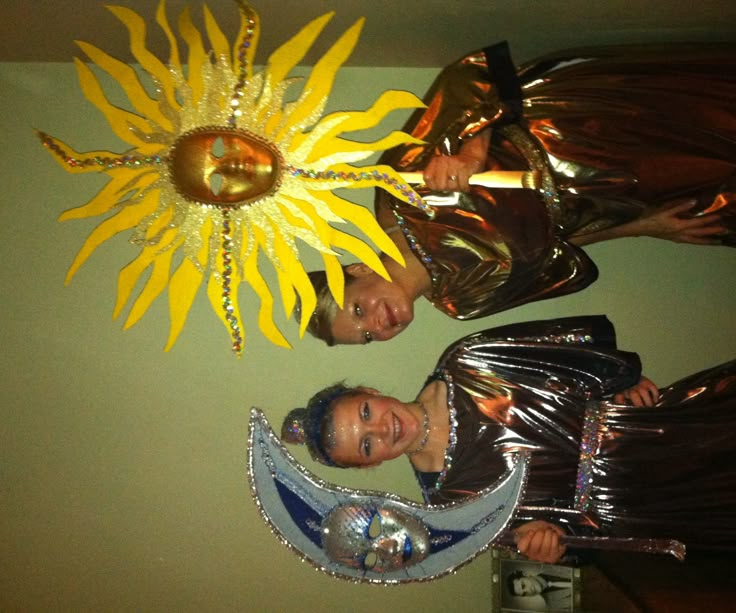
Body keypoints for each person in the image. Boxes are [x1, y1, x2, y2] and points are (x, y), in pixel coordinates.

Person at [305, 42, 735, 345]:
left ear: (359, 270)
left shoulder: (400, 194)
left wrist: (472, 152)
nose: (379, 327)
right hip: (617, 198)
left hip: (583, 129)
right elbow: (557, 253)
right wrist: (646, 227)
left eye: (360, 311)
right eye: (366, 337)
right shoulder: (464, 303)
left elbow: (469, 77)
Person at [282, 315, 736, 564]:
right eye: (366, 444)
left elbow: (571, 346)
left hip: (656, 425)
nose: (382, 429)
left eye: (365, 413)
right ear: (369, 465)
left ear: (371, 391)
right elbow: (575, 544)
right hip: (644, 506)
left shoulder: (469, 360)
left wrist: (618, 378)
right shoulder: (452, 505)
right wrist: (550, 542)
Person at [506, 568, 573, 610]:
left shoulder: (551, 565)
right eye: (524, 593)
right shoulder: (554, 605)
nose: (529, 591)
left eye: (523, 585)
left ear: (526, 574)